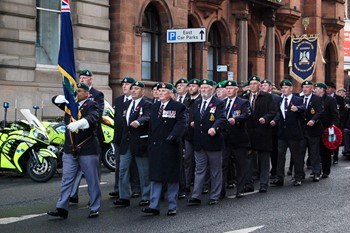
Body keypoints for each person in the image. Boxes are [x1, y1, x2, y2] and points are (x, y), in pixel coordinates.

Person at [48, 82, 101, 218]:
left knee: (92, 180)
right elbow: (55, 100)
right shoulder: (70, 105)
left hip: (87, 148)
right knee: (67, 179)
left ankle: (95, 207)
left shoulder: (91, 104)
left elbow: (93, 118)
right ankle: (62, 208)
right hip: (70, 149)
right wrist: (60, 98)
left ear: (87, 94)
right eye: (75, 91)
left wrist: (80, 123)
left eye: (79, 91)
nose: (76, 93)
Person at [142, 82, 186, 216]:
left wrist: (172, 137)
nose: (160, 93)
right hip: (155, 147)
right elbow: (151, 126)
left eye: (163, 91)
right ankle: (153, 205)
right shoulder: (154, 106)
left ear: (171, 93)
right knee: (155, 177)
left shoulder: (178, 107)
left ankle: (172, 206)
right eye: (159, 91)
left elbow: (181, 124)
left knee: (172, 178)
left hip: (170, 146)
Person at [113, 81, 152, 207]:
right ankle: (124, 196)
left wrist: (139, 121)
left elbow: (148, 117)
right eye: (132, 88)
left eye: (136, 88)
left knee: (143, 171)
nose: (133, 90)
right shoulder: (126, 104)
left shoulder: (147, 104)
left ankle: (146, 196)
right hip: (126, 141)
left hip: (140, 141)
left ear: (142, 91)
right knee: (123, 169)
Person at [187, 79, 225, 206]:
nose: (203, 90)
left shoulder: (218, 103)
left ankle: (215, 195)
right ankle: (196, 195)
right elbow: (193, 118)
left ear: (212, 90)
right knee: (199, 169)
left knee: (215, 169)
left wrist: (215, 127)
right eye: (202, 88)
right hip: (199, 141)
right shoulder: (197, 103)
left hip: (213, 141)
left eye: (206, 87)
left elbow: (221, 118)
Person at [69, 69, 104, 204]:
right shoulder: (74, 93)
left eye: (85, 78)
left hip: (90, 134)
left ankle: (93, 198)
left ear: (91, 80)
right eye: (81, 77)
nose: (82, 80)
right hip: (75, 137)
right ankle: (73, 195)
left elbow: (97, 114)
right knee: (75, 168)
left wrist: (83, 122)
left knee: (92, 171)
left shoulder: (97, 95)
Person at [110, 77, 140, 198]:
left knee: (133, 165)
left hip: (132, 138)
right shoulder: (118, 100)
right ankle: (118, 189)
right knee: (119, 165)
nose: (124, 86)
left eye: (127, 84)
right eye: (123, 84)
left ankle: (135, 188)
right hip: (119, 138)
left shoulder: (138, 101)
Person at [270, 80, 305, 187]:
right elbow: (278, 114)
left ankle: (298, 177)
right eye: (282, 88)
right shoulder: (279, 100)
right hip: (282, 133)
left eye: (285, 87)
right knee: (280, 156)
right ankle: (280, 178)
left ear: (291, 89)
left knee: (296, 156)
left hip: (294, 132)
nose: (283, 89)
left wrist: (297, 108)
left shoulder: (297, 99)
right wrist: (275, 120)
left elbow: (303, 108)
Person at [245, 75, 277, 192]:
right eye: (251, 84)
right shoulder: (244, 97)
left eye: (255, 84)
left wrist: (266, 118)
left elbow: (273, 111)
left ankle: (264, 183)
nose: (253, 86)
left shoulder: (267, 97)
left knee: (264, 159)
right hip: (249, 132)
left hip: (263, 132)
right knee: (249, 159)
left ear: (259, 86)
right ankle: (249, 183)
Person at [221, 80, 251, 198]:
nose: (228, 91)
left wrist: (236, 119)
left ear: (236, 90)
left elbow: (247, 115)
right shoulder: (222, 103)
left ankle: (240, 189)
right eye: (227, 89)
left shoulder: (243, 102)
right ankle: (221, 191)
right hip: (225, 139)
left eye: (230, 88)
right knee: (223, 164)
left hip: (239, 138)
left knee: (240, 164)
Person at [314, 83, 339, 178]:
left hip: (326, 129)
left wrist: (333, 125)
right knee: (315, 151)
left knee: (326, 152)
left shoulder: (330, 100)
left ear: (322, 90)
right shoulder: (314, 99)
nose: (315, 90)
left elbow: (335, 114)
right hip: (315, 129)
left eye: (317, 88)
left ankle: (326, 170)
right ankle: (316, 171)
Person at [183, 79, 201, 196]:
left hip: (199, 135)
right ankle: (187, 184)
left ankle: (200, 185)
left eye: (193, 86)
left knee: (200, 161)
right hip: (188, 135)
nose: (191, 88)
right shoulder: (187, 100)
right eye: (189, 86)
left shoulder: (201, 99)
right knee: (188, 159)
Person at [260, 79, 280, 179]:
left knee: (274, 151)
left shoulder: (276, 98)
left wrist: (275, 120)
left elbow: (278, 112)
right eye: (262, 85)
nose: (263, 87)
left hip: (273, 128)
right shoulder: (258, 97)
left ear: (270, 87)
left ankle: (274, 170)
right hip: (262, 128)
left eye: (265, 85)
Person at [325, 81, 345, 164]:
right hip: (327, 122)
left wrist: (338, 119)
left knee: (334, 139)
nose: (328, 90)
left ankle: (335, 156)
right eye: (327, 88)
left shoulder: (339, 98)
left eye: (329, 88)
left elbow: (343, 110)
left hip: (336, 122)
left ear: (333, 89)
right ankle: (327, 155)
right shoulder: (324, 98)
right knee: (327, 140)